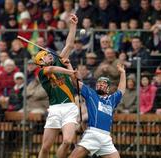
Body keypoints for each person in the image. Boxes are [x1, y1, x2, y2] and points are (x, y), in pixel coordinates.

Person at [35, 14, 79, 158]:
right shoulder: (43, 72)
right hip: (55, 109)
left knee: (67, 141)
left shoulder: (59, 61)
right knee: (46, 147)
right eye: (46, 55)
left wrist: (73, 26)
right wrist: (70, 71)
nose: (49, 55)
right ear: (41, 60)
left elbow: (69, 45)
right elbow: (52, 70)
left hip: (70, 107)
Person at [69, 63, 126, 158]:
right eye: (99, 83)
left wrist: (122, 73)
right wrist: (69, 67)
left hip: (106, 137)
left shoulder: (112, 99)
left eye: (104, 83)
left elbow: (121, 90)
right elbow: (75, 82)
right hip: (93, 135)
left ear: (108, 88)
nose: (100, 85)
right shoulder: (91, 94)